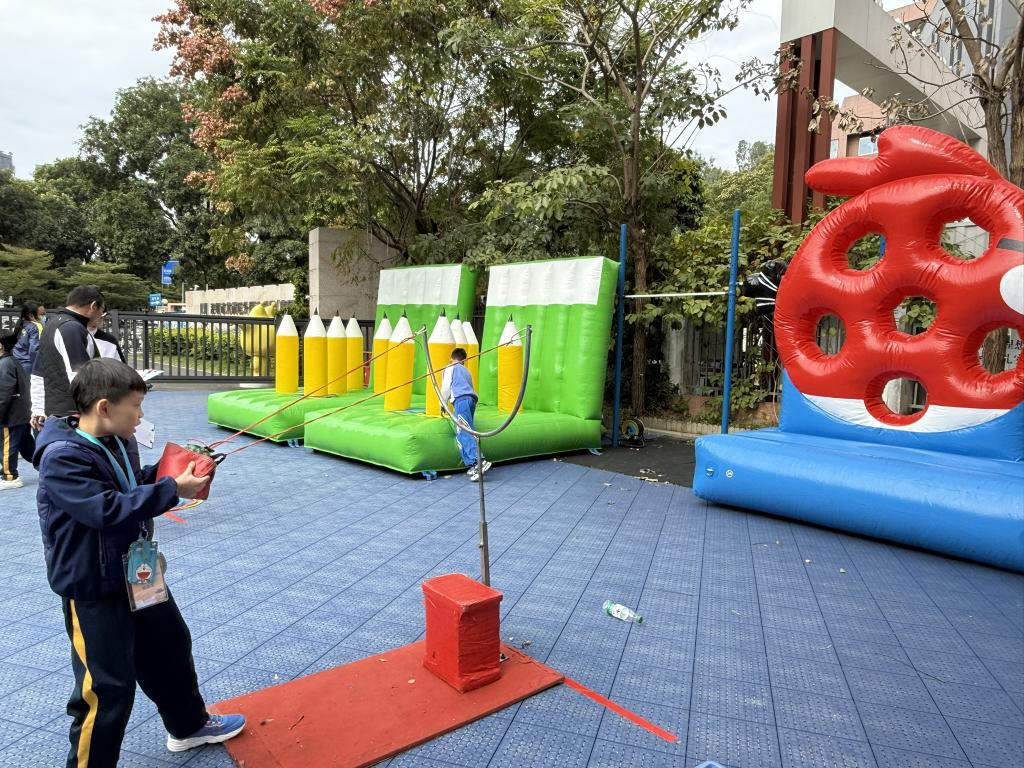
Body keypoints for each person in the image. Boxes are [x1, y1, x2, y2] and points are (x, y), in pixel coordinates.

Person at [33, 359, 245, 767]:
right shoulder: (62, 457)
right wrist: (171, 489)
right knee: (107, 688)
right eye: (135, 406)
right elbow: (105, 508)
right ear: (104, 407)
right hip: (93, 586)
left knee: (170, 648)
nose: (141, 415)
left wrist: (176, 472)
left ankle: (188, 726)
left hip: (138, 575)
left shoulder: (117, 440)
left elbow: (128, 484)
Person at [31, 286, 106, 430]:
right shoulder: (72, 328)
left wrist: (38, 408)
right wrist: (96, 412)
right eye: (102, 309)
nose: (101, 315)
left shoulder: (52, 324)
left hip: (54, 414)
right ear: (93, 306)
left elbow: (38, 372)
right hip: (73, 417)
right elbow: (79, 376)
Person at [440, 347, 491, 481]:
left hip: (461, 401)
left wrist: (442, 404)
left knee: (463, 432)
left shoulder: (450, 368)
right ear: (464, 360)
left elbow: (446, 387)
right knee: (468, 430)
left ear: (451, 359)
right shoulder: (467, 371)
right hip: (471, 401)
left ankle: (479, 461)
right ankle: (473, 464)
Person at [0, 330, 34, 490]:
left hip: (10, 415)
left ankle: (10, 477)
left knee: (8, 447)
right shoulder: (12, 361)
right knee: (26, 447)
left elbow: (3, 394)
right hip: (21, 413)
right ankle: (49, 465)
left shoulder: (4, 364)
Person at [12, 300, 46, 374]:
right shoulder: (36, 326)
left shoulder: (21, 323)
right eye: (41, 314)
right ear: (31, 315)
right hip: (28, 365)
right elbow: (34, 350)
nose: (44, 317)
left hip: (16, 361)